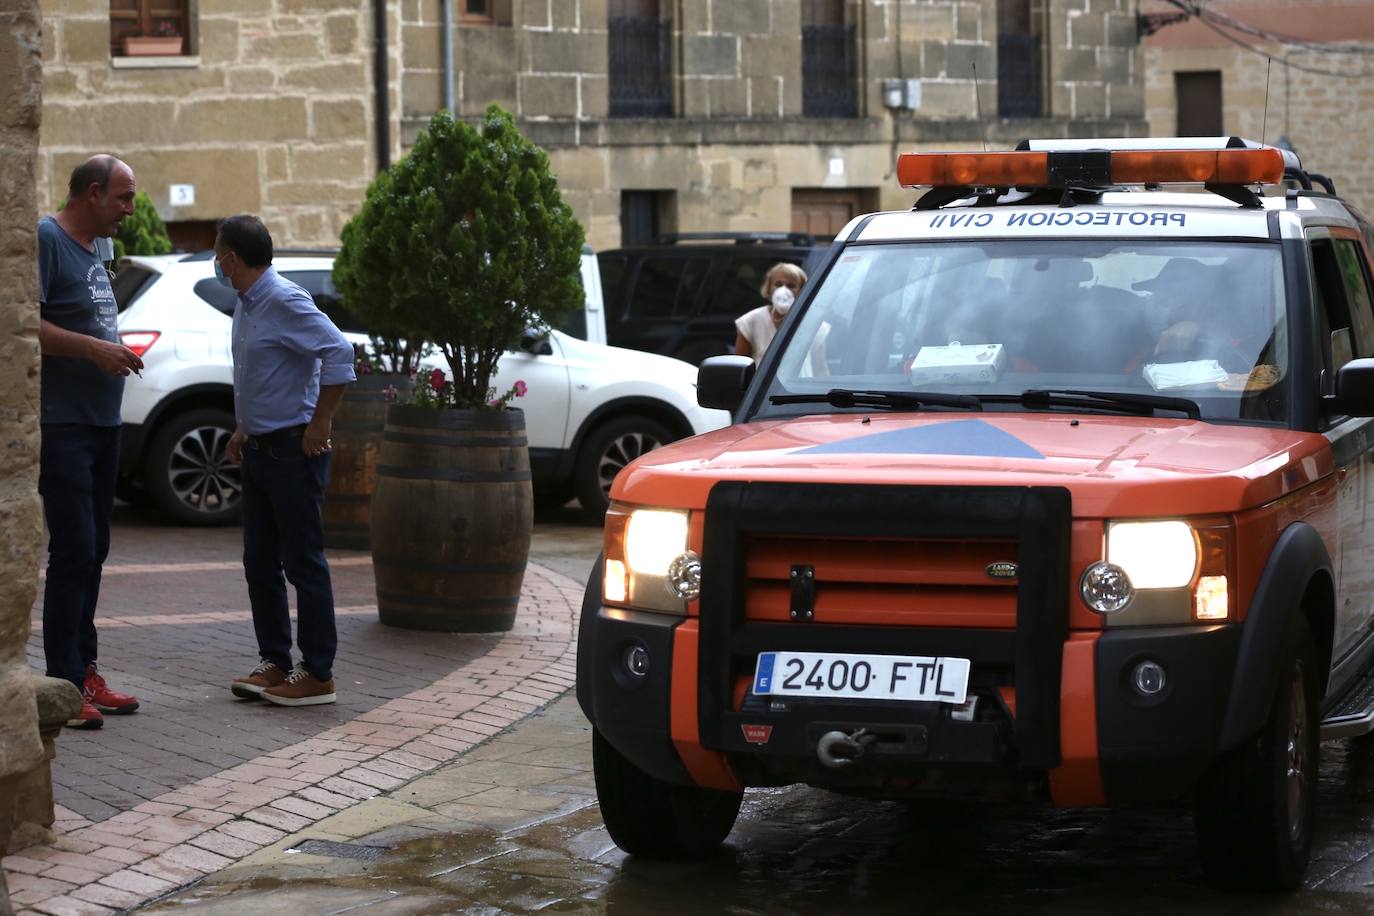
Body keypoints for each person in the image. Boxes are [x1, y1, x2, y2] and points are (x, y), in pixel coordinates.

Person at [218, 215, 356, 707]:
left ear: (233, 258)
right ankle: (274, 661)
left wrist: (321, 422)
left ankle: (318, 672)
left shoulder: (284, 299)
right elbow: (266, 374)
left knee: (302, 562)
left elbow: (340, 352)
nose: (217, 260)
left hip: (292, 451)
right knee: (259, 561)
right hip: (259, 448)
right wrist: (244, 428)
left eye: (218, 252)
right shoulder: (248, 303)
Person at [38, 155, 144, 730]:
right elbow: (23, 323)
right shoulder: (47, 239)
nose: (130, 210)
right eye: (124, 198)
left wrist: (114, 349)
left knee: (95, 547)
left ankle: (84, 671)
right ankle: (62, 683)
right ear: (95, 193)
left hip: (103, 421)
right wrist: (94, 350)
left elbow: (95, 318)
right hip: (64, 423)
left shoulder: (97, 249)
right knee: (74, 548)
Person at [735, 262, 807, 365]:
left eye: (791, 286)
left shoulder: (812, 322)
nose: (784, 290)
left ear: (802, 291)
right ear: (768, 288)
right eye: (778, 284)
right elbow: (738, 365)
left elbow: (820, 368)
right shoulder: (751, 320)